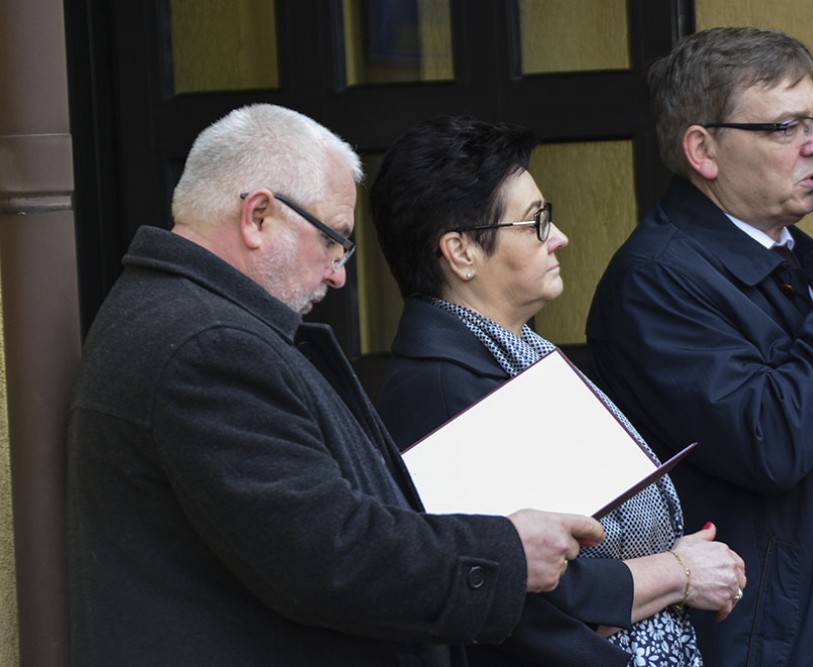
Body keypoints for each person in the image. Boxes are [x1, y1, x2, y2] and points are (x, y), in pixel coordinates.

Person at [65, 103, 609, 667]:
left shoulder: (181, 317)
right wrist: (507, 553)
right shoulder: (207, 346)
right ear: (257, 216)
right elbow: (328, 553)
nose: (339, 272)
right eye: (332, 239)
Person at [586, 27, 813, 667]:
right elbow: (771, 440)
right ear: (703, 150)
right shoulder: (655, 281)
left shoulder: (797, 257)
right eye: (786, 127)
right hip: (768, 641)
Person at [369, 114, 746, 666]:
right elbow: (516, 598)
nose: (560, 237)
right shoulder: (440, 388)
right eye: (536, 222)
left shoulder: (516, 350)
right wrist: (676, 574)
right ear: (461, 252)